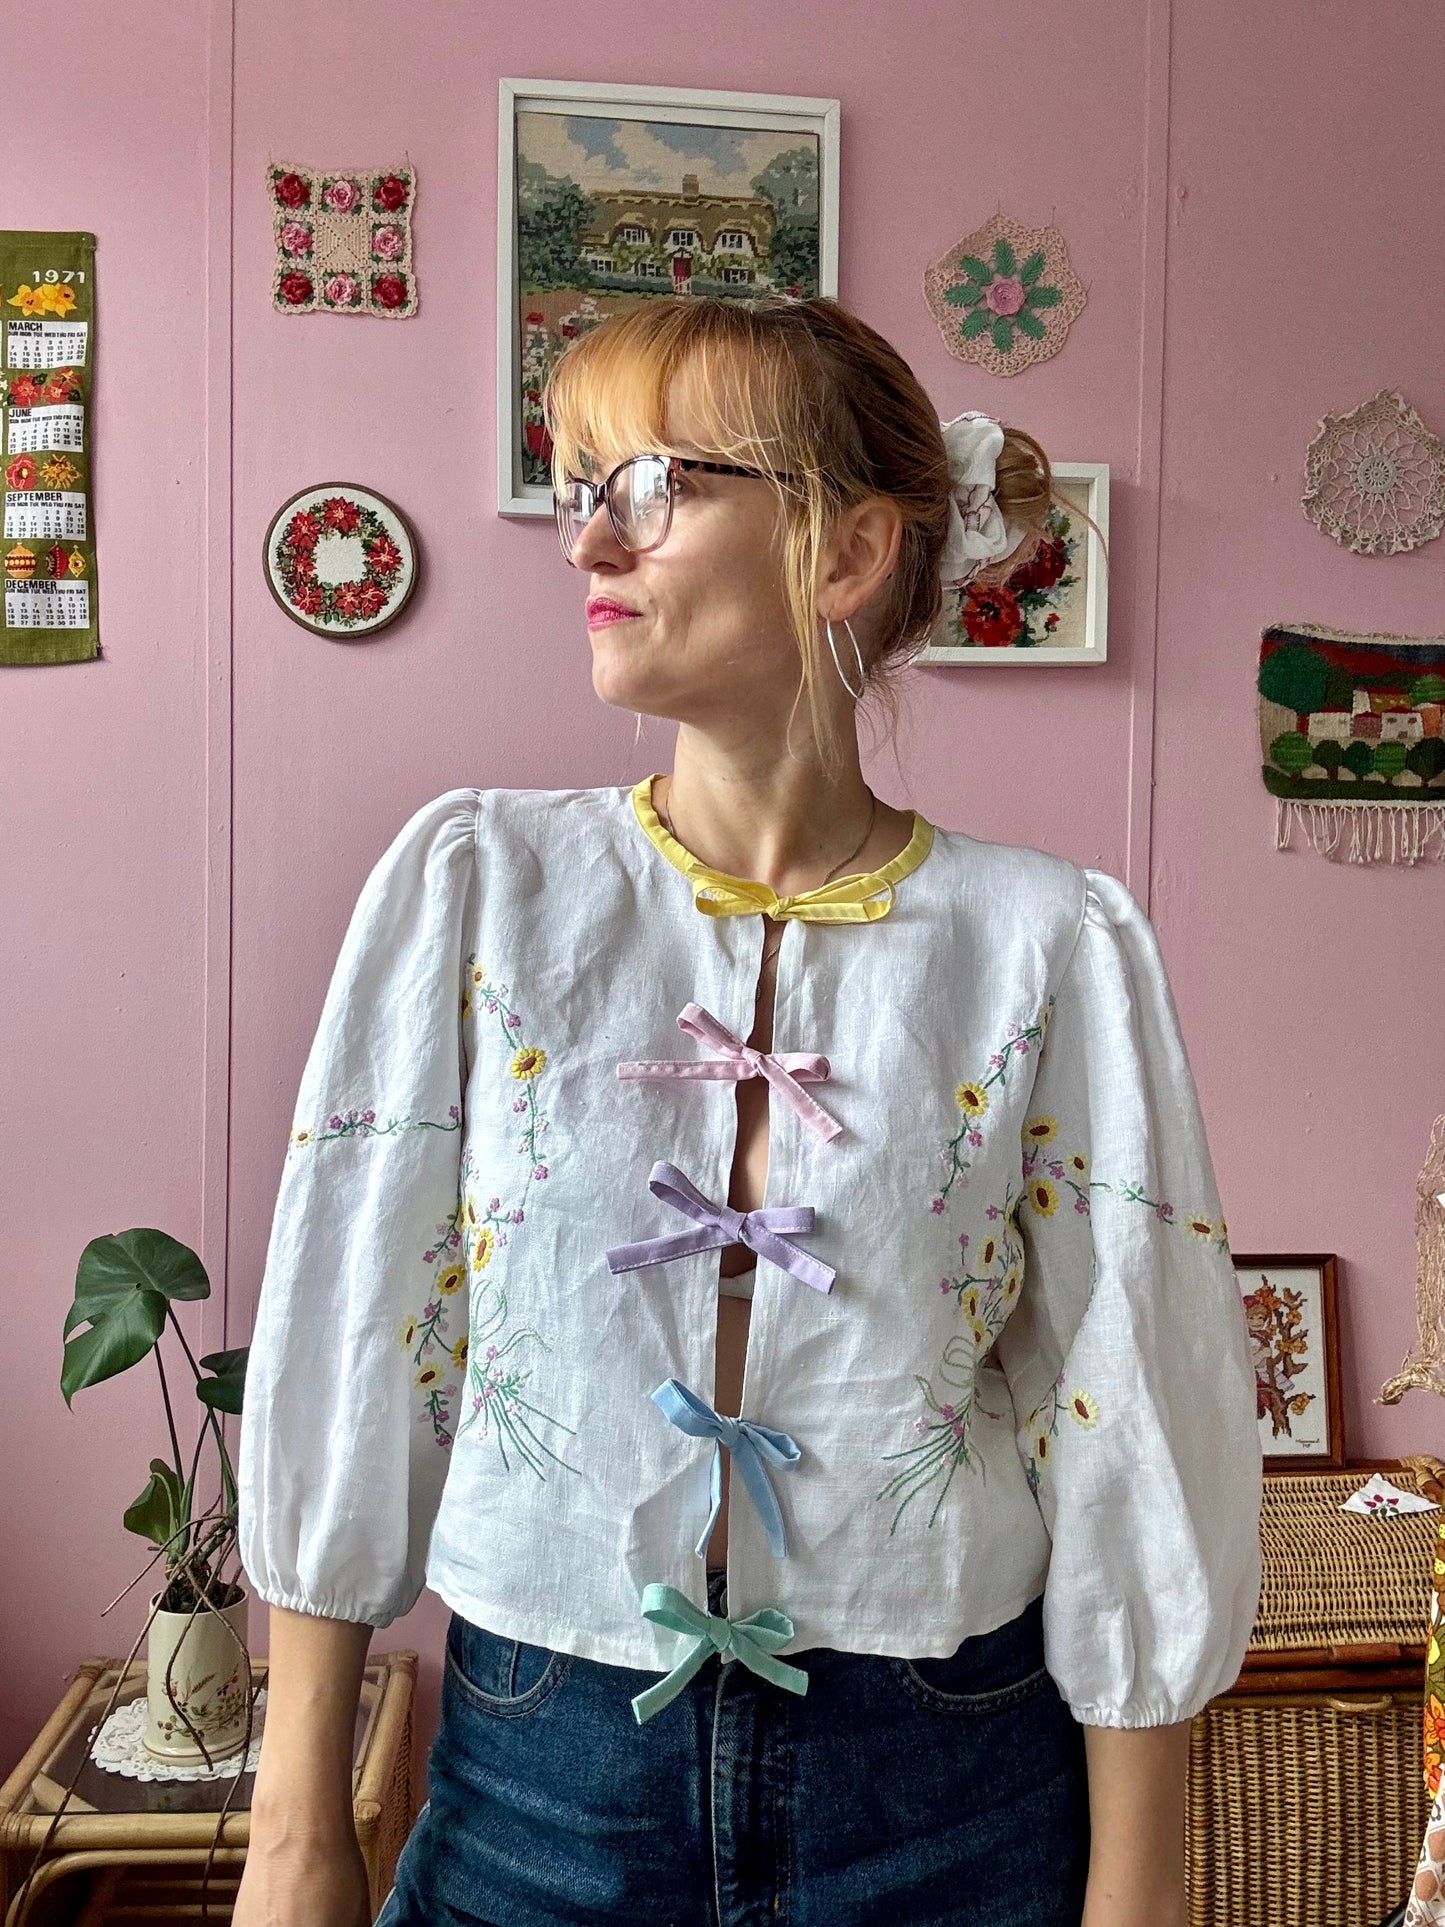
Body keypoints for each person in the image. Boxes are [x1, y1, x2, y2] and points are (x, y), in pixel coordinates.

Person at [233, 294, 1263, 1927]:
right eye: (575, 487)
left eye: (647, 484)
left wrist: (1140, 1890)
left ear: (844, 553)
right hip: (541, 1765)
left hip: (948, 1781)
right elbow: (360, 1328)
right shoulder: (480, 884)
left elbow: (1125, 1396)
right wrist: (297, 1837)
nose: (588, 542)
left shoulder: (1050, 944)